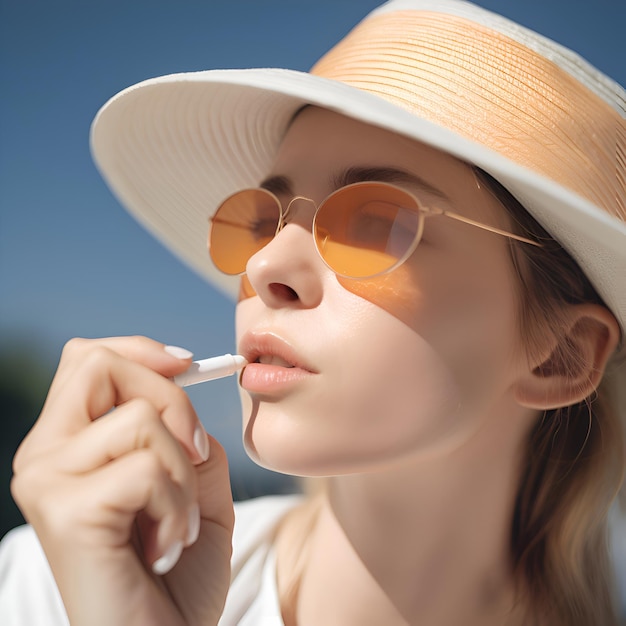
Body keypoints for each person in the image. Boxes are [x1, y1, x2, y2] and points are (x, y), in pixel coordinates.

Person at [0, 0, 624, 624]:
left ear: (562, 355)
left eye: (378, 223)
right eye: (262, 221)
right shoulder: (54, 587)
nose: (266, 266)